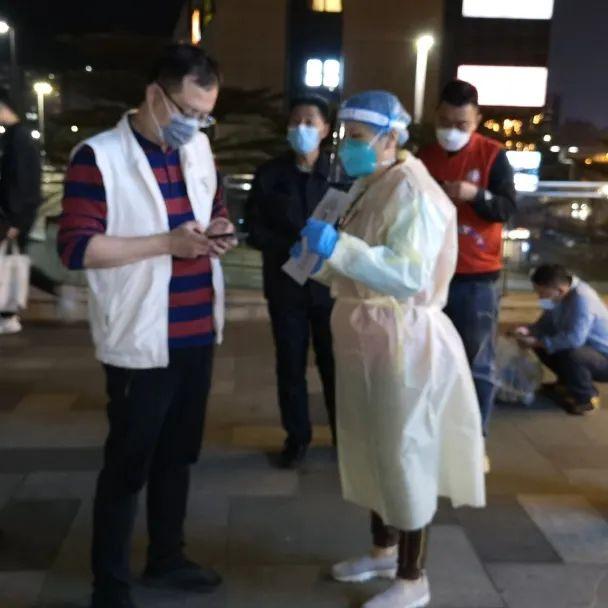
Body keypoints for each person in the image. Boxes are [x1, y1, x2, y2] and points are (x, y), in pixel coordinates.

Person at [58, 44, 237, 608]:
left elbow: (216, 206)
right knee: (127, 465)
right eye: (187, 111)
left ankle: (167, 558)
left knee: (178, 456)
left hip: (197, 329)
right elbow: (77, 248)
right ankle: (109, 586)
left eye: (205, 115)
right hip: (141, 336)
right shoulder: (99, 156)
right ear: (155, 95)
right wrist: (166, 243)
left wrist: (220, 230)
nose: (195, 125)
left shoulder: (199, 148)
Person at [295, 90, 485, 608]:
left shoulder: (414, 190)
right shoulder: (372, 182)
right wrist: (321, 261)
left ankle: (412, 576)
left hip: (403, 337)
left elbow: (407, 275)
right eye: (345, 136)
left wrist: (339, 248)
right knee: (369, 444)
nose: (346, 145)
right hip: (366, 334)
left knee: (405, 453)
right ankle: (383, 549)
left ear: (390, 137)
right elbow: (362, 265)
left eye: (357, 136)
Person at [419, 80, 517, 438]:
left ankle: (474, 438)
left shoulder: (493, 155)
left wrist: (476, 194)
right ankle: (439, 432)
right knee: (432, 359)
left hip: (477, 277)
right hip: (431, 274)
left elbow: (507, 208)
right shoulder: (424, 157)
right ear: (435, 116)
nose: (451, 131)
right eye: (445, 122)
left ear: (477, 120)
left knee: (477, 360)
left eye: (461, 124)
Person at [246, 95, 337, 468]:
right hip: (286, 285)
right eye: (296, 121)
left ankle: (344, 437)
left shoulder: (339, 175)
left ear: (325, 129)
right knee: (290, 365)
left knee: (335, 365)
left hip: (330, 287)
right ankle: (297, 437)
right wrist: (289, 247)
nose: (302, 128)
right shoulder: (269, 174)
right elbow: (253, 229)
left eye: (310, 122)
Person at [514, 264, 608, 415]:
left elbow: (574, 339)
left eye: (542, 294)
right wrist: (528, 331)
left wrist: (539, 342)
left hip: (603, 357)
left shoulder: (583, 300)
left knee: (572, 353)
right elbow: (545, 324)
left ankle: (586, 398)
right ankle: (566, 384)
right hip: (589, 351)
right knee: (543, 343)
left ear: (560, 290)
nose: (540, 298)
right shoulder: (559, 296)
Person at [0, 88, 42, 334]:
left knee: (9, 263)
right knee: (11, 262)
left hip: (13, 216)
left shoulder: (18, 139)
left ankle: (8, 314)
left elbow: (20, 182)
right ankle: (8, 313)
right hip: (15, 215)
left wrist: (15, 221)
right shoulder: (18, 137)